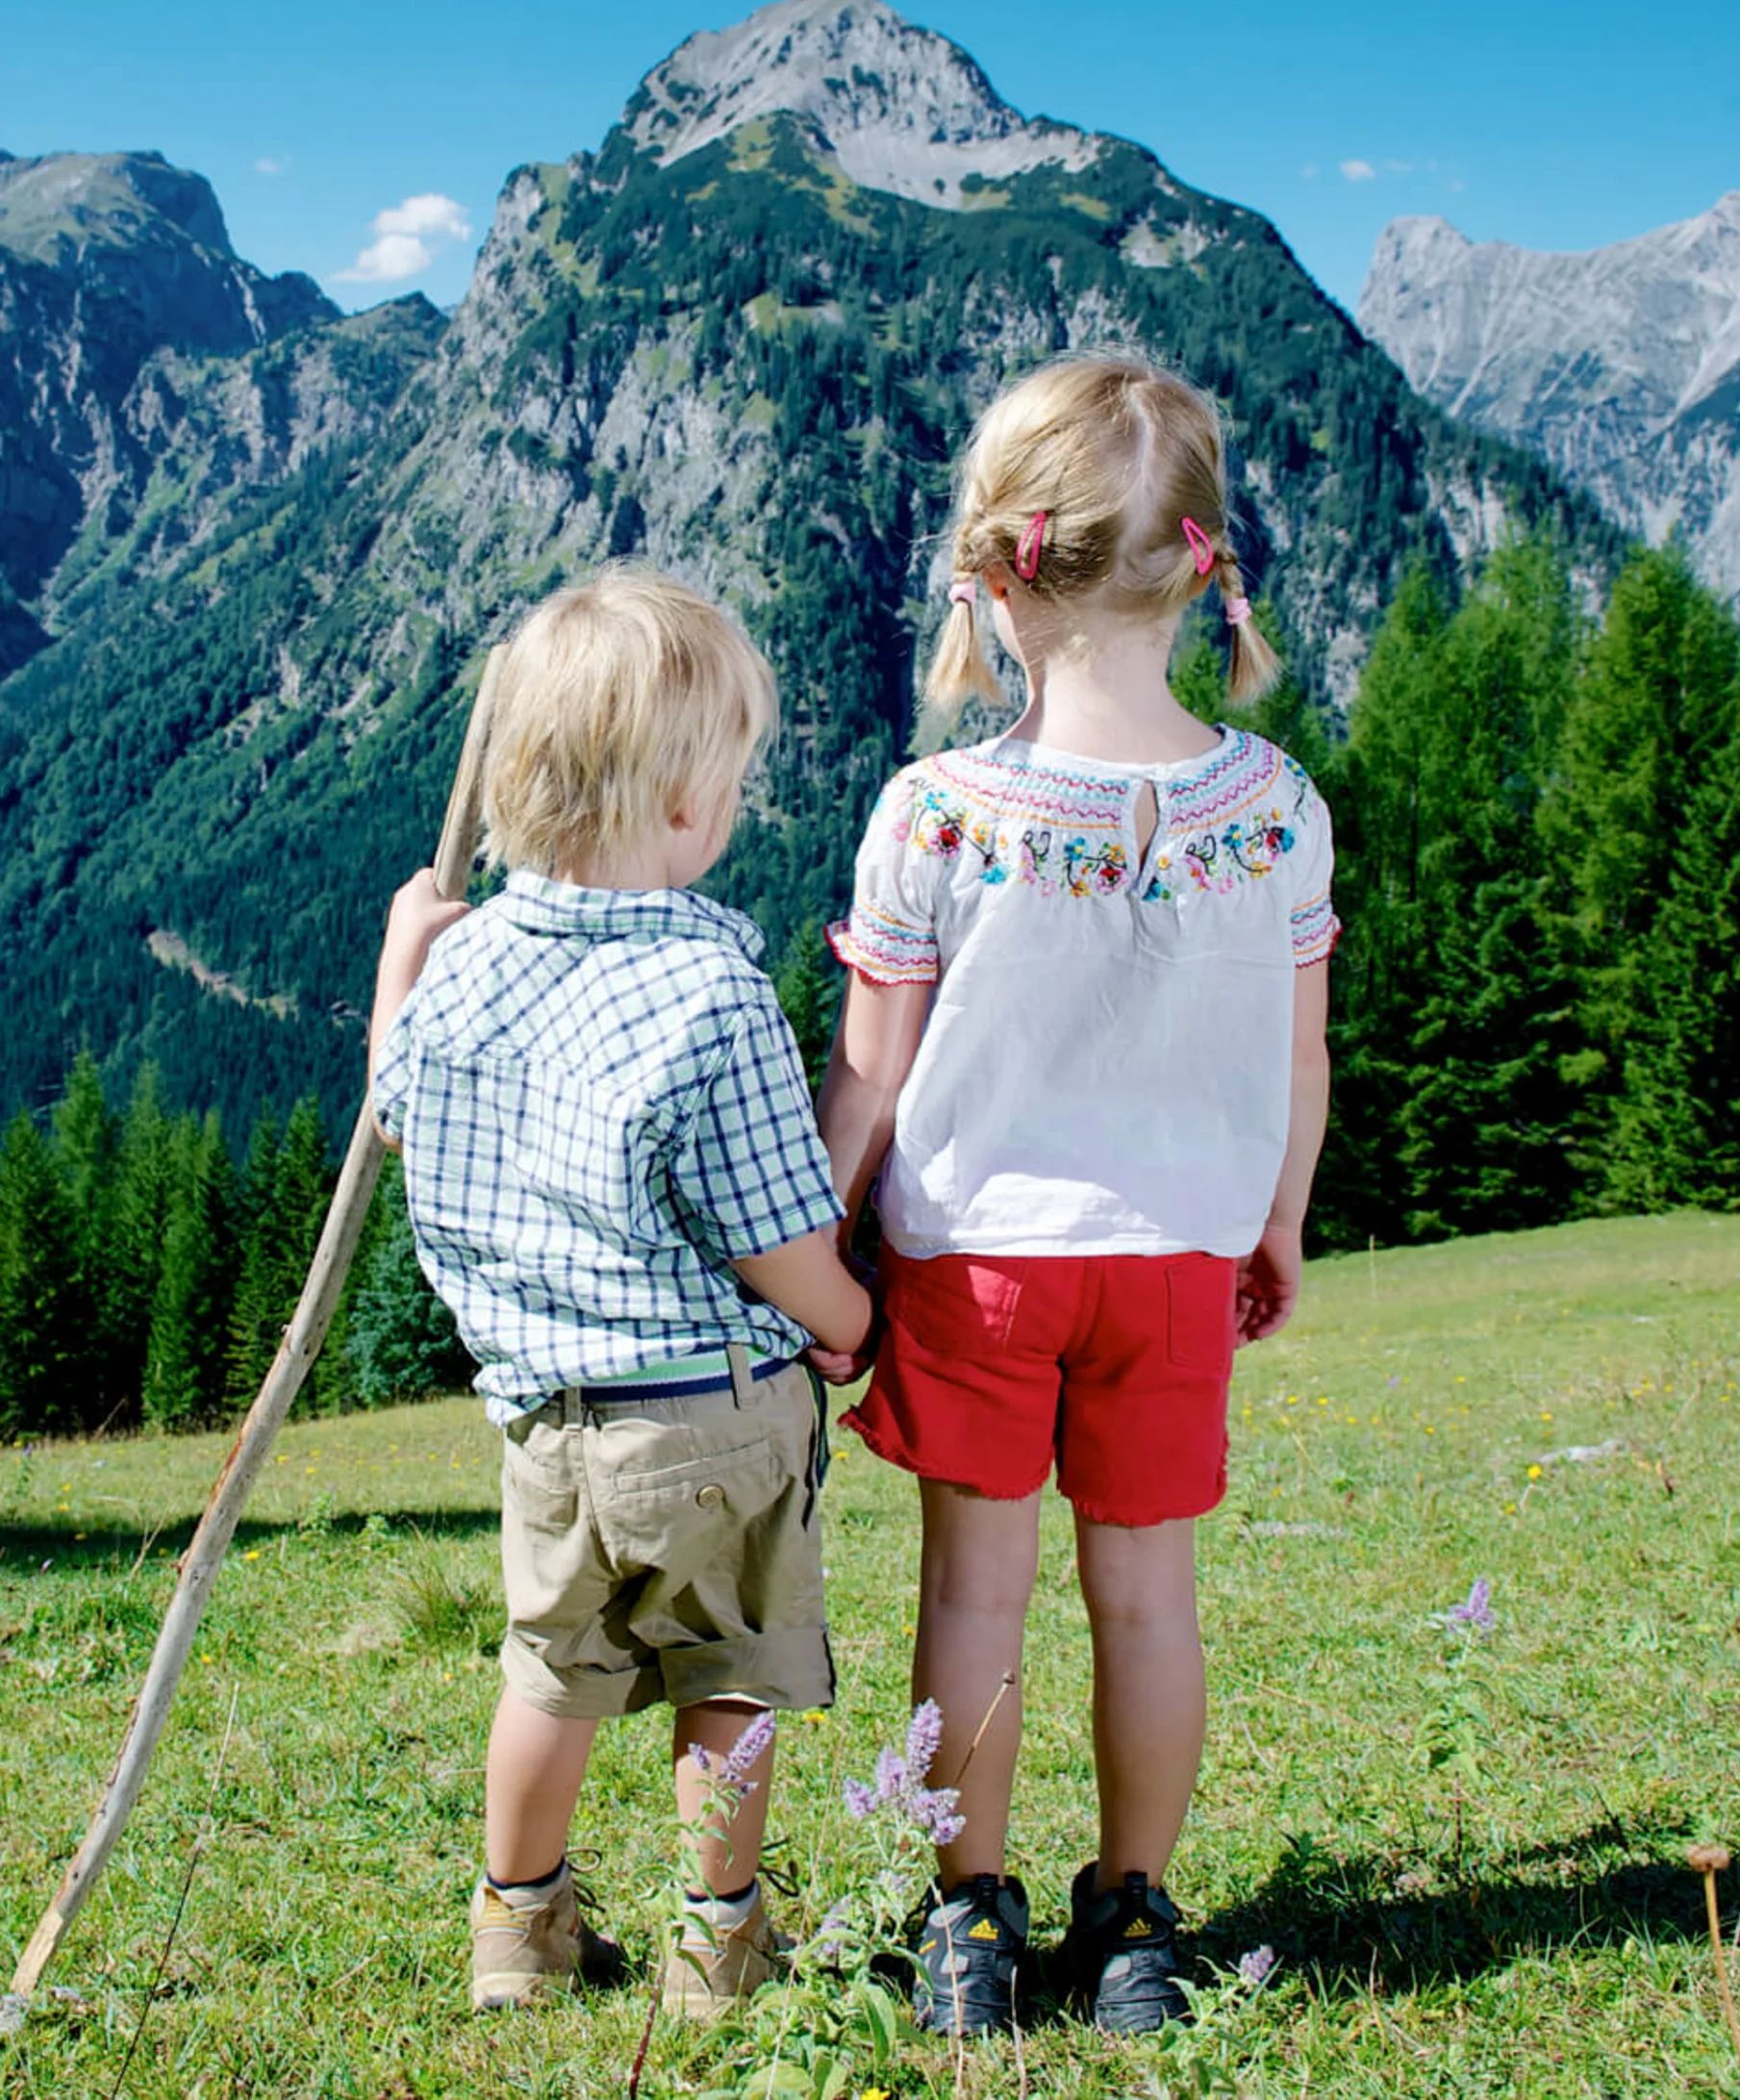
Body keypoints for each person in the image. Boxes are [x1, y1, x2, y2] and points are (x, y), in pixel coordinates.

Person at [815, 354, 1336, 2037]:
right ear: (1199, 567)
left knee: (974, 1595)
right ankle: (1136, 1924)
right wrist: (1276, 1220)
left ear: (996, 572)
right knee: (1148, 1601)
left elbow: (870, 1082)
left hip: (977, 1269)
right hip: (1175, 1262)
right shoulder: (1276, 808)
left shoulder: (937, 815)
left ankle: (968, 1920)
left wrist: (817, 1247)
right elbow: (1301, 1055)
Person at [368, 567, 872, 2018]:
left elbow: (395, 1113)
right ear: (680, 803)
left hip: (544, 1425)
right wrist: (848, 1324)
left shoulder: (461, 971)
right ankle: (718, 1945)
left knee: (549, 1675)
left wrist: (402, 962)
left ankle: (517, 1932)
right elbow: (776, 1233)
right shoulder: (711, 997)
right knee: (728, 1676)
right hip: (708, 1411)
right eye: (732, 782)